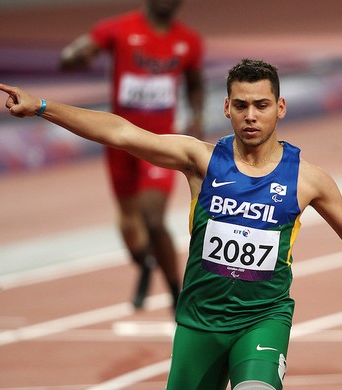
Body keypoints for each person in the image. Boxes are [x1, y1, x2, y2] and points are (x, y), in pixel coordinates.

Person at [0, 58, 342, 390]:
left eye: (261, 105)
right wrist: (44, 107)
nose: (250, 116)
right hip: (199, 321)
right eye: (240, 105)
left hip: (263, 317)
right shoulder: (200, 160)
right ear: (226, 108)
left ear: (280, 107)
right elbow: (122, 133)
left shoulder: (307, 179)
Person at [59, 0, 205, 310]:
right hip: (119, 141)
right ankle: (146, 263)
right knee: (129, 222)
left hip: (161, 144)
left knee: (152, 220)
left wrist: (197, 116)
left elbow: (195, 81)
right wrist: (74, 57)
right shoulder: (118, 29)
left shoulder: (188, 42)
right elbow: (77, 52)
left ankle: (176, 296)